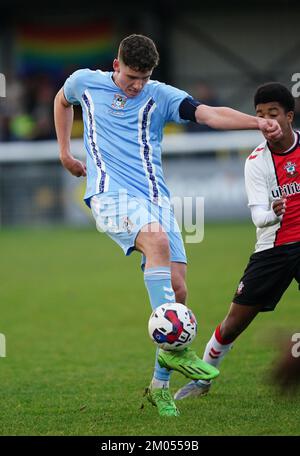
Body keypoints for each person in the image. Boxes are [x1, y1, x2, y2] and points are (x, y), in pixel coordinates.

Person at [54, 35, 282, 417]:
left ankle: (160, 386)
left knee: (177, 289)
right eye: (131, 77)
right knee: (156, 242)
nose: (137, 85)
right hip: (110, 195)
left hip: (157, 201)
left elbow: (208, 113)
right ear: (115, 66)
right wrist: (64, 151)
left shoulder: (159, 94)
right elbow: (62, 100)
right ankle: (180, 351)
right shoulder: (85, 82)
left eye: (144, 78)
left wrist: (256, 122)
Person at [174, 82, 300, 401]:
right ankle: (202, 379)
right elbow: (258, 216)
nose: (266, 121)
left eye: (273, 113)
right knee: (233, 324)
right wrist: (273, 213)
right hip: (273, 249)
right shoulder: (256, 162)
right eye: (259, 115)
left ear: (289, 116)